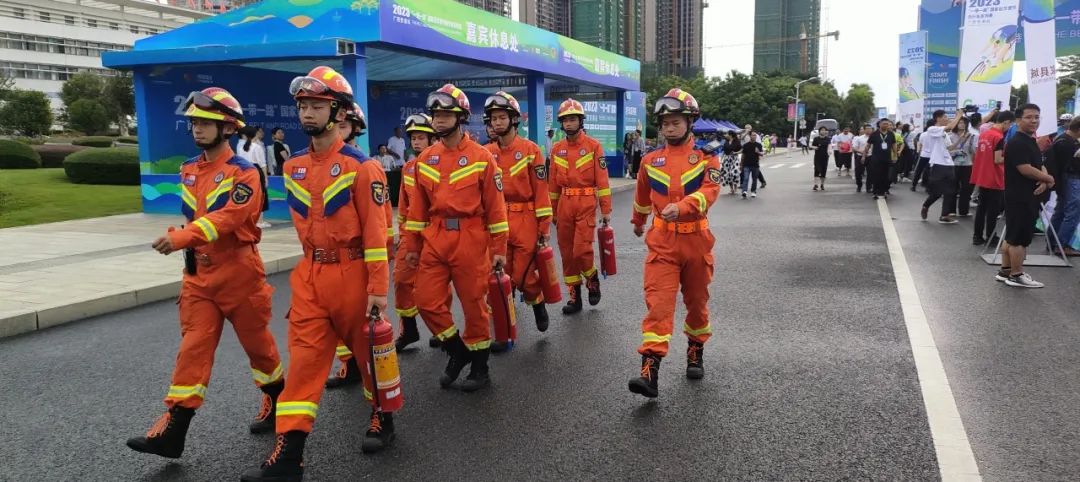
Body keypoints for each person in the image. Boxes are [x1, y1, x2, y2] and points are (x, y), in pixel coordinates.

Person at [241, 66, 396, 482]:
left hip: (354, 275)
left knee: (368, 358)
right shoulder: (292, 167)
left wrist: (378, 289)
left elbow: (376, 232)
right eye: (304, 106)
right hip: (310, 276)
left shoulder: (363, 168)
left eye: (317, 106)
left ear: (339, 112)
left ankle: (382, 415)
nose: (308, 113)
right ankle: (289, 454)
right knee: (306, 364)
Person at [128, 87, 284, 459]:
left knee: (259, 349)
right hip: (198, 276)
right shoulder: (187, 169)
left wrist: (183, 237)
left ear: (228, 128)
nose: (198, 128)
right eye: (195, 121)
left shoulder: (245, 173)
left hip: (239, 273)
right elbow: (195, 216)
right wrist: (184, 239)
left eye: (207, 122)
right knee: (192, 349)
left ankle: (277, 400)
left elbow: (232, 218)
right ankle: (173, 432)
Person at [402, 84, 508, 392]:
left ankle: (480, 366)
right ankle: (457, 351)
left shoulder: (482, 158)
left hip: (471, 237)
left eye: (446, 114)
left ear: (460, 117)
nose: (438, 119)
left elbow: (495, 206)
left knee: (474, 304)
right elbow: (417, 211)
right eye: (435, 113)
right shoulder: (425, 160)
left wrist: (499, 247)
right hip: (435, 237)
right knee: (424, 299)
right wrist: (411, 245)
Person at [628, 88, 720, 398]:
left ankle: (695, 350)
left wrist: (682, 207)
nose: (669, 128)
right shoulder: (650, 160)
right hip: (663, 242)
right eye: (665, 123)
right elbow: (641, 197)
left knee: (696, 304)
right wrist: (638, 222)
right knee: (659, 304)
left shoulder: (708, 156)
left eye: (676, 122)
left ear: (690, 121)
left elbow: (709, 193)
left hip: (696, 240)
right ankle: (649, 371)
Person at [325, 102, 397, 389]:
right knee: (336, 324)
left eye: (343, 127)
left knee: (368, 327)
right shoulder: (313, 166)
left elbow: (380, 221)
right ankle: (349, 365)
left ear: (355, 129)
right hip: (328, 265)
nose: (337, 133)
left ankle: (382, 399)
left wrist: (381, 265)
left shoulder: (367, 168)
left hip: (359, 259)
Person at [482, 91, 553, 350]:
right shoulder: (485, 153)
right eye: (493, 118)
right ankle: (505, 333)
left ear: (514, 120)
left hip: (526, 219)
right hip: (497, 222)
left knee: (522, 276)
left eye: (502, 117)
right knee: (502, 278)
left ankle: (538, 301)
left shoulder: (532, 151)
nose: (497, 123)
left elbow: (542, 192)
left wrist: (544, 227)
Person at [548, 98, 612, 314]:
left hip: (585, 203)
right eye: (565, 120)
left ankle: (592, 278)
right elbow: (553, 185)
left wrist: (606, 210)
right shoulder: (557, 149)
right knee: (566, 254)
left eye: (572, 119)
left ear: (580, 121)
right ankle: (575, 298)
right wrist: (552, 211)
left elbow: (602, 182)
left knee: (581, 251)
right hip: (564, 204)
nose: (568, 124)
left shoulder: (594, 146)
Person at [391, 114, 447, 351]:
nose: (416, 142)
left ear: (433, 138)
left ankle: (442, 331)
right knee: (402, 280)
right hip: (411, 235)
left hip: (437, 235)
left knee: (438, 286)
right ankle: (410, 329)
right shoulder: (408, 168)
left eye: (421, 137)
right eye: (413, 138)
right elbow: (403, 205)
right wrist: (404, 234)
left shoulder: (445, 164)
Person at [997, 104, 1056, 288]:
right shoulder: (1017, 142)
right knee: (1019, 238)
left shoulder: (1030, 140)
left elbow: (1038, 164)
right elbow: (1025, 169)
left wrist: (1044, 180)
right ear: (1018, 120)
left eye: (1037, 117)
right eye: (1029, 117)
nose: (1034, 120)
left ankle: (1005, 270)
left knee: (1012, 235)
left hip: (1026, 195)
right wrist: (1048, 178)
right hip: (1020, 196)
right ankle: (1016, 275)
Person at [971, 111, 1014, 245]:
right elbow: (997, 159)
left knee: (981, 207)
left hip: (983, 175)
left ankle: (977, 236)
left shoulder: (984, 134)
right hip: (994, 177)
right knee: (993, 209)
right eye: (1010, 125)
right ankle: (991, 237)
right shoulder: (999, 137)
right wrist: (1012, 157)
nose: (1009, 127)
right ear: (1006, 122)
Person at [920, 110, 964, 223]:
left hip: (949, 164)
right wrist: (959, 115)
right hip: (938, 164)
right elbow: (949, 126)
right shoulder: (932, 129)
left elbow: (950, 148)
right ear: (938, 118)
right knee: (937, 192)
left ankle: (944, 215)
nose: (946, 118)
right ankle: (926, 205)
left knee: (950, 191)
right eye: (944, 117)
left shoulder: (945, 134)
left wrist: (962, 139)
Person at [1047, 116, 1080, 256]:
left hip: (1064, 181)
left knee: (1060, 211)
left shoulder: (1061, 139)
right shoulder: (1068, 144)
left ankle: (1052, 241)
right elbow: (1070, 166)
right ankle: (1062, 244)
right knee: (1072, 213)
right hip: (1072, 180)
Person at [238, 126, 272, 228]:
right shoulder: (257, 147)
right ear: (255, 135)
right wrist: (265, 178)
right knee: (261, 195)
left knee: (246, 194)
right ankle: (260, 221)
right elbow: (262, 164)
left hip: (244, 171)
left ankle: (246, 220)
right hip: (256, 170)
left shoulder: (241, 147)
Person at [949, 117, 976, 217]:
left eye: (964, 123)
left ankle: (963, 210)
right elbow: (948, 150)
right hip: (954, 164)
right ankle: (951, 210)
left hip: (967, 164)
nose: (961, 124)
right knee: (953, 188)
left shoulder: (971, 136)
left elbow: (973, 151)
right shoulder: (950, 136)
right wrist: (957, 151)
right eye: (959, 122)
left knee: (966, 188)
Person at [867, 119, 897, 199]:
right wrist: (864, 155)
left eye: (887, 124)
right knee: (876, 175)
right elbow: (868, 145)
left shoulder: (891, 134)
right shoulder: (874, 134)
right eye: (884, 124)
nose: (886, 125)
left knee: (885, 176)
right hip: (876, 159)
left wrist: (895, 155)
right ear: (880, 124)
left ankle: (883, 192)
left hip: (887, 159)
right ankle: (875, 192)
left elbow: (894, 145)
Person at [740, 132, 764, 198]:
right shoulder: (746, 145)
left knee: (754, 179)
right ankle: (744, 191)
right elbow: (743, 155)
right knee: (746, 178)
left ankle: (753, 191)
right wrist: (741, 164)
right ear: (750, 136)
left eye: (755, 135)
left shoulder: (758, 145)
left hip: (755, 165)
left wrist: (758, 152)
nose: (754, 136)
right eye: (753, 135)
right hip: (746, 164)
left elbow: (762, 154)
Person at [720, 130, 742, 195]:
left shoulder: (737, 141)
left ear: (730, 135)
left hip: (734, 159)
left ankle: (735, 188)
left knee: (734, 173)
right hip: (727, 159)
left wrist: (736, 152)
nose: (725, 135)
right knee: (728, 174)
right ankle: (731, 189)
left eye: (726, 134)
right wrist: (721, 159)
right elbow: (724, 151)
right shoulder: (726, 142)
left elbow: (741, 149)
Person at [852, 125, 871, 193]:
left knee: (870, 173)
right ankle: (859, 185)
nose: (869, 130)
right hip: (860, 156)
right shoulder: (859, 138)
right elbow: (854, 148)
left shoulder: (873, 138)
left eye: (870, 129)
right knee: (858, 172)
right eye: (867, 129)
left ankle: (869, 187)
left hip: (870, 157)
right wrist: (861, 151)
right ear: (864, 130)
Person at [811, 127, 831, 191]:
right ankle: (815, 184)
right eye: (822, 130)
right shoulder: (816, 139)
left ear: (826, 132)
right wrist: (815, 147)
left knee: (823, 171)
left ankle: (822, 184)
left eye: (824, 130)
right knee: (816, 169)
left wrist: (830, 151)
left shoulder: (828, 139)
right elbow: (812, 146)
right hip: (817, 157)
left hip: (825, 157)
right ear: (819, 131)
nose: (823, 131)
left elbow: (829, 146)